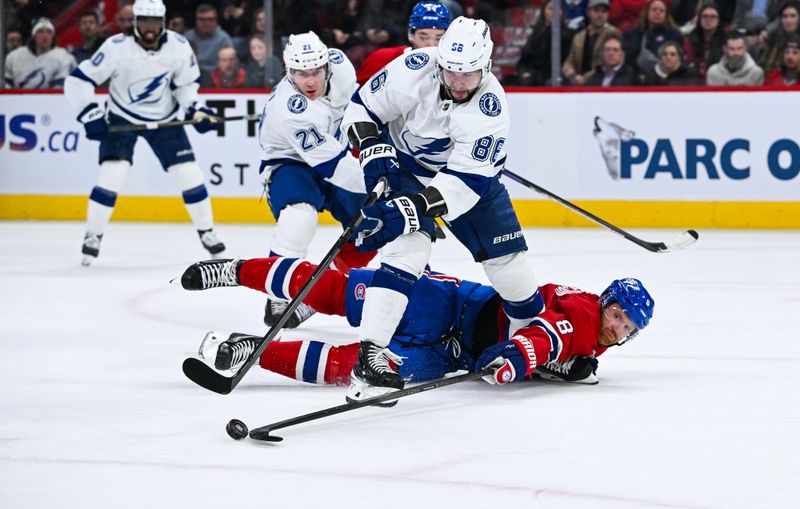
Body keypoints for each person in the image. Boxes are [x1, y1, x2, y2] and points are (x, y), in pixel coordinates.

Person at [339, 16, 546, 401]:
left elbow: (466, 183)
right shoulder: (414, 69)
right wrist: (372, 149)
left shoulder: (491, 109)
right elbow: (360, 110)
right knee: (408, 249)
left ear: (486, 65)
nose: (456, 82)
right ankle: (371, 354)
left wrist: (412, 208)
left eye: (467, 74)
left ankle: (530, 339)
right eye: (450, 70)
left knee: (509, 264)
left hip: (468, 181)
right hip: (404, 167)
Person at [179, 256, 655, 391]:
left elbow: (563, 354)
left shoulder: (596, 342)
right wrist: (518, 360)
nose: (618, 328)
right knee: (336, 291)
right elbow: (544, 337)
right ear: (606, 303)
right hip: (447, 304)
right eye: (618, 315)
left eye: (628, 327)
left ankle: (252, 351)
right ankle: (237, 270)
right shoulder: (586, 314)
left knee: (359, 366)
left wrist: (563, 370)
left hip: (451, 356)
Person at [64, 0, 226, 265]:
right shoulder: (116, 47)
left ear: (162, 21)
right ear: (135, 22)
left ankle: (207, 231)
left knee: (190, 175)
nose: (149, 27)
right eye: (144, 21)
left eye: (154, 21)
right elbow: (77, 82)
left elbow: (187, 86)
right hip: (122, 118)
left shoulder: (178, 45)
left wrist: (196, 111)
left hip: (165, 120)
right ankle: (93, 234)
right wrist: (90, 114)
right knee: (111, 175)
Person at [256, 31, 377, 328]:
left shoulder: (343, 67)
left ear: (327, 66)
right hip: (291, 162)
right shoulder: (291, 111)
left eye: (315, 72)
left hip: (334, 150)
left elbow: (364, 106)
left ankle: (322, 285)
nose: (309, 81)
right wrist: (385, 179)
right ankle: (279, 293)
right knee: (300, 217)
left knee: (374, 222)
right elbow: (335, 168)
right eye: (300, 74)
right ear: (289, 72)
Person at [356, 0, 451, 85]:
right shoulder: (383, 59)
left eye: (438, 38)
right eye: (423, 37)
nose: (431, 44)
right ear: (411, 35)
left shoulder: (454, 70)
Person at [562, 0, 621, 86]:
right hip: (577, 79)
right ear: (588, 12)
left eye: (604, 11)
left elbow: (605, 64)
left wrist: (584, 78)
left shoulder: (612, 33)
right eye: (596, 11)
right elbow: (570, 60)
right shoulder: (579, 37)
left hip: (600, 79)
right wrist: (570, 72)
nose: (600, 15)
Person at [5, 17, 76, 89]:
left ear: (53, 36)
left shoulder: (64, 57)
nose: (45, 35)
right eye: (40, 31)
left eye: (49, 31)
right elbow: (6, 86)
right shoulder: (14, 56)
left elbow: (60, 89)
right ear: (33, 36)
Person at [185, 4, 234, 75]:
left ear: (216, 21)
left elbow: (229, 65)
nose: (207, 23)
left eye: (211, 19)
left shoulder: (224, 38)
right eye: (202, 20)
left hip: (216, 78)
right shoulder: (187, 37)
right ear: (196, 20)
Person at [683, 4, 727, 80]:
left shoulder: (726, 40)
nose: (708, 19)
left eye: (713, 16)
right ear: (699, 19)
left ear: (719, 20)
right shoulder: (690, 39)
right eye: (705, 16)